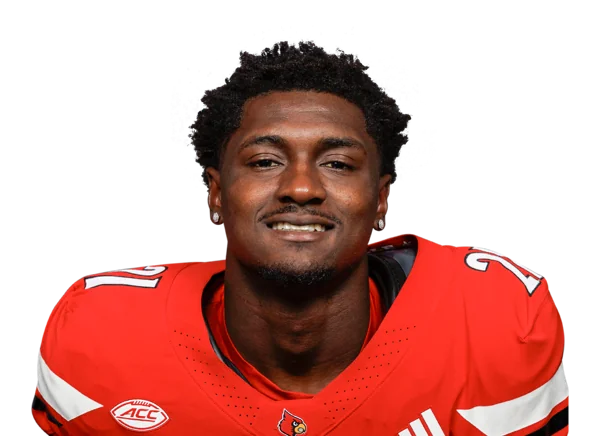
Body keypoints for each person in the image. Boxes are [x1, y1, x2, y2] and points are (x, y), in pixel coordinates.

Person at [32, 40, 569, 435]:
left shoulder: (495, 322)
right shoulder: (99, 335)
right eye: (265, 161)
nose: (302, 188)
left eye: (338, 164)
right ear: (216, 194)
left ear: (381, 200)